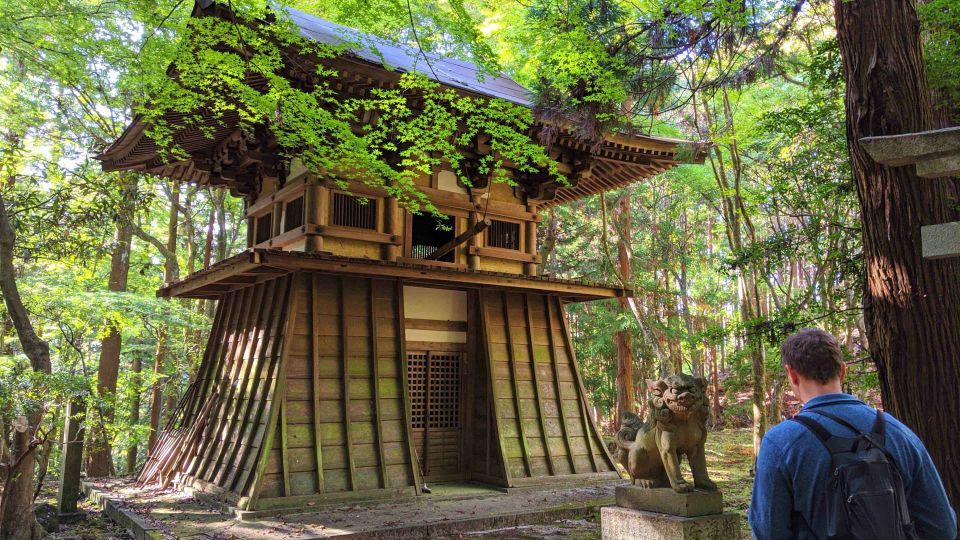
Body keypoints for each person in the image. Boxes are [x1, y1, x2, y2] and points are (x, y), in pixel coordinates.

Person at [749, 328, 957, 539]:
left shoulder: (781, 442)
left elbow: (769, 531)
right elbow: (943, 528)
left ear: (792, 374)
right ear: (842, 370)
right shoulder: (899, 433)